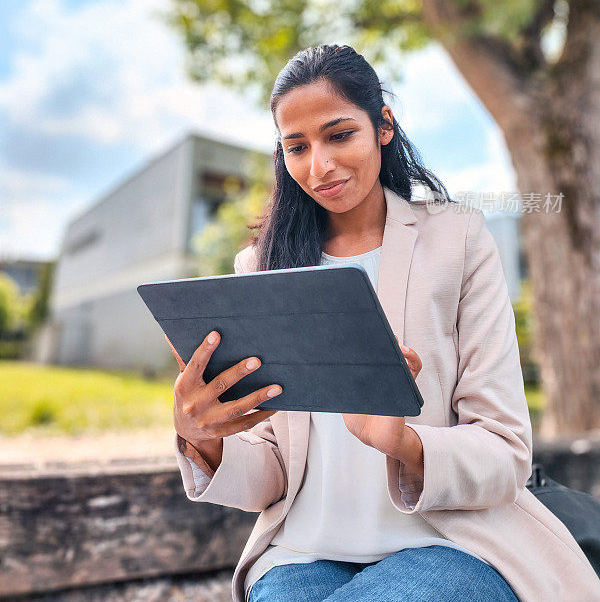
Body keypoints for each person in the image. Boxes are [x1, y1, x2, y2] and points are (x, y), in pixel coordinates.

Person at [168, 45, 600, 602]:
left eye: (339, 135)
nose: (318, 166)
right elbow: (274, 470)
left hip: (451, 541)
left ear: (383, 126)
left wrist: (405, 444)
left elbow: (506, 451)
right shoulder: (261, 267)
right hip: (303, 549)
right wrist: (203, 441)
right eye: (295, 147)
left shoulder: (458, 239)